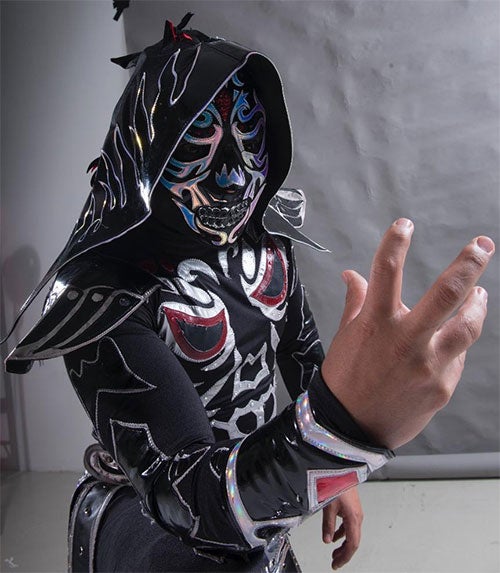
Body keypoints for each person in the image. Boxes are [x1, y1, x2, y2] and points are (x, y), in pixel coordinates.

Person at [4, 16, 494, 572]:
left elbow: (303, 356)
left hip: (254, 499)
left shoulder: (265, 243)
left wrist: (336, 474)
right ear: (147, 154)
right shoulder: (103, 296)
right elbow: (188, 500)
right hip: (147, 511)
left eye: (249, 134)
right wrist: (344, 432)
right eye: (196, 145)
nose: (235, 177)